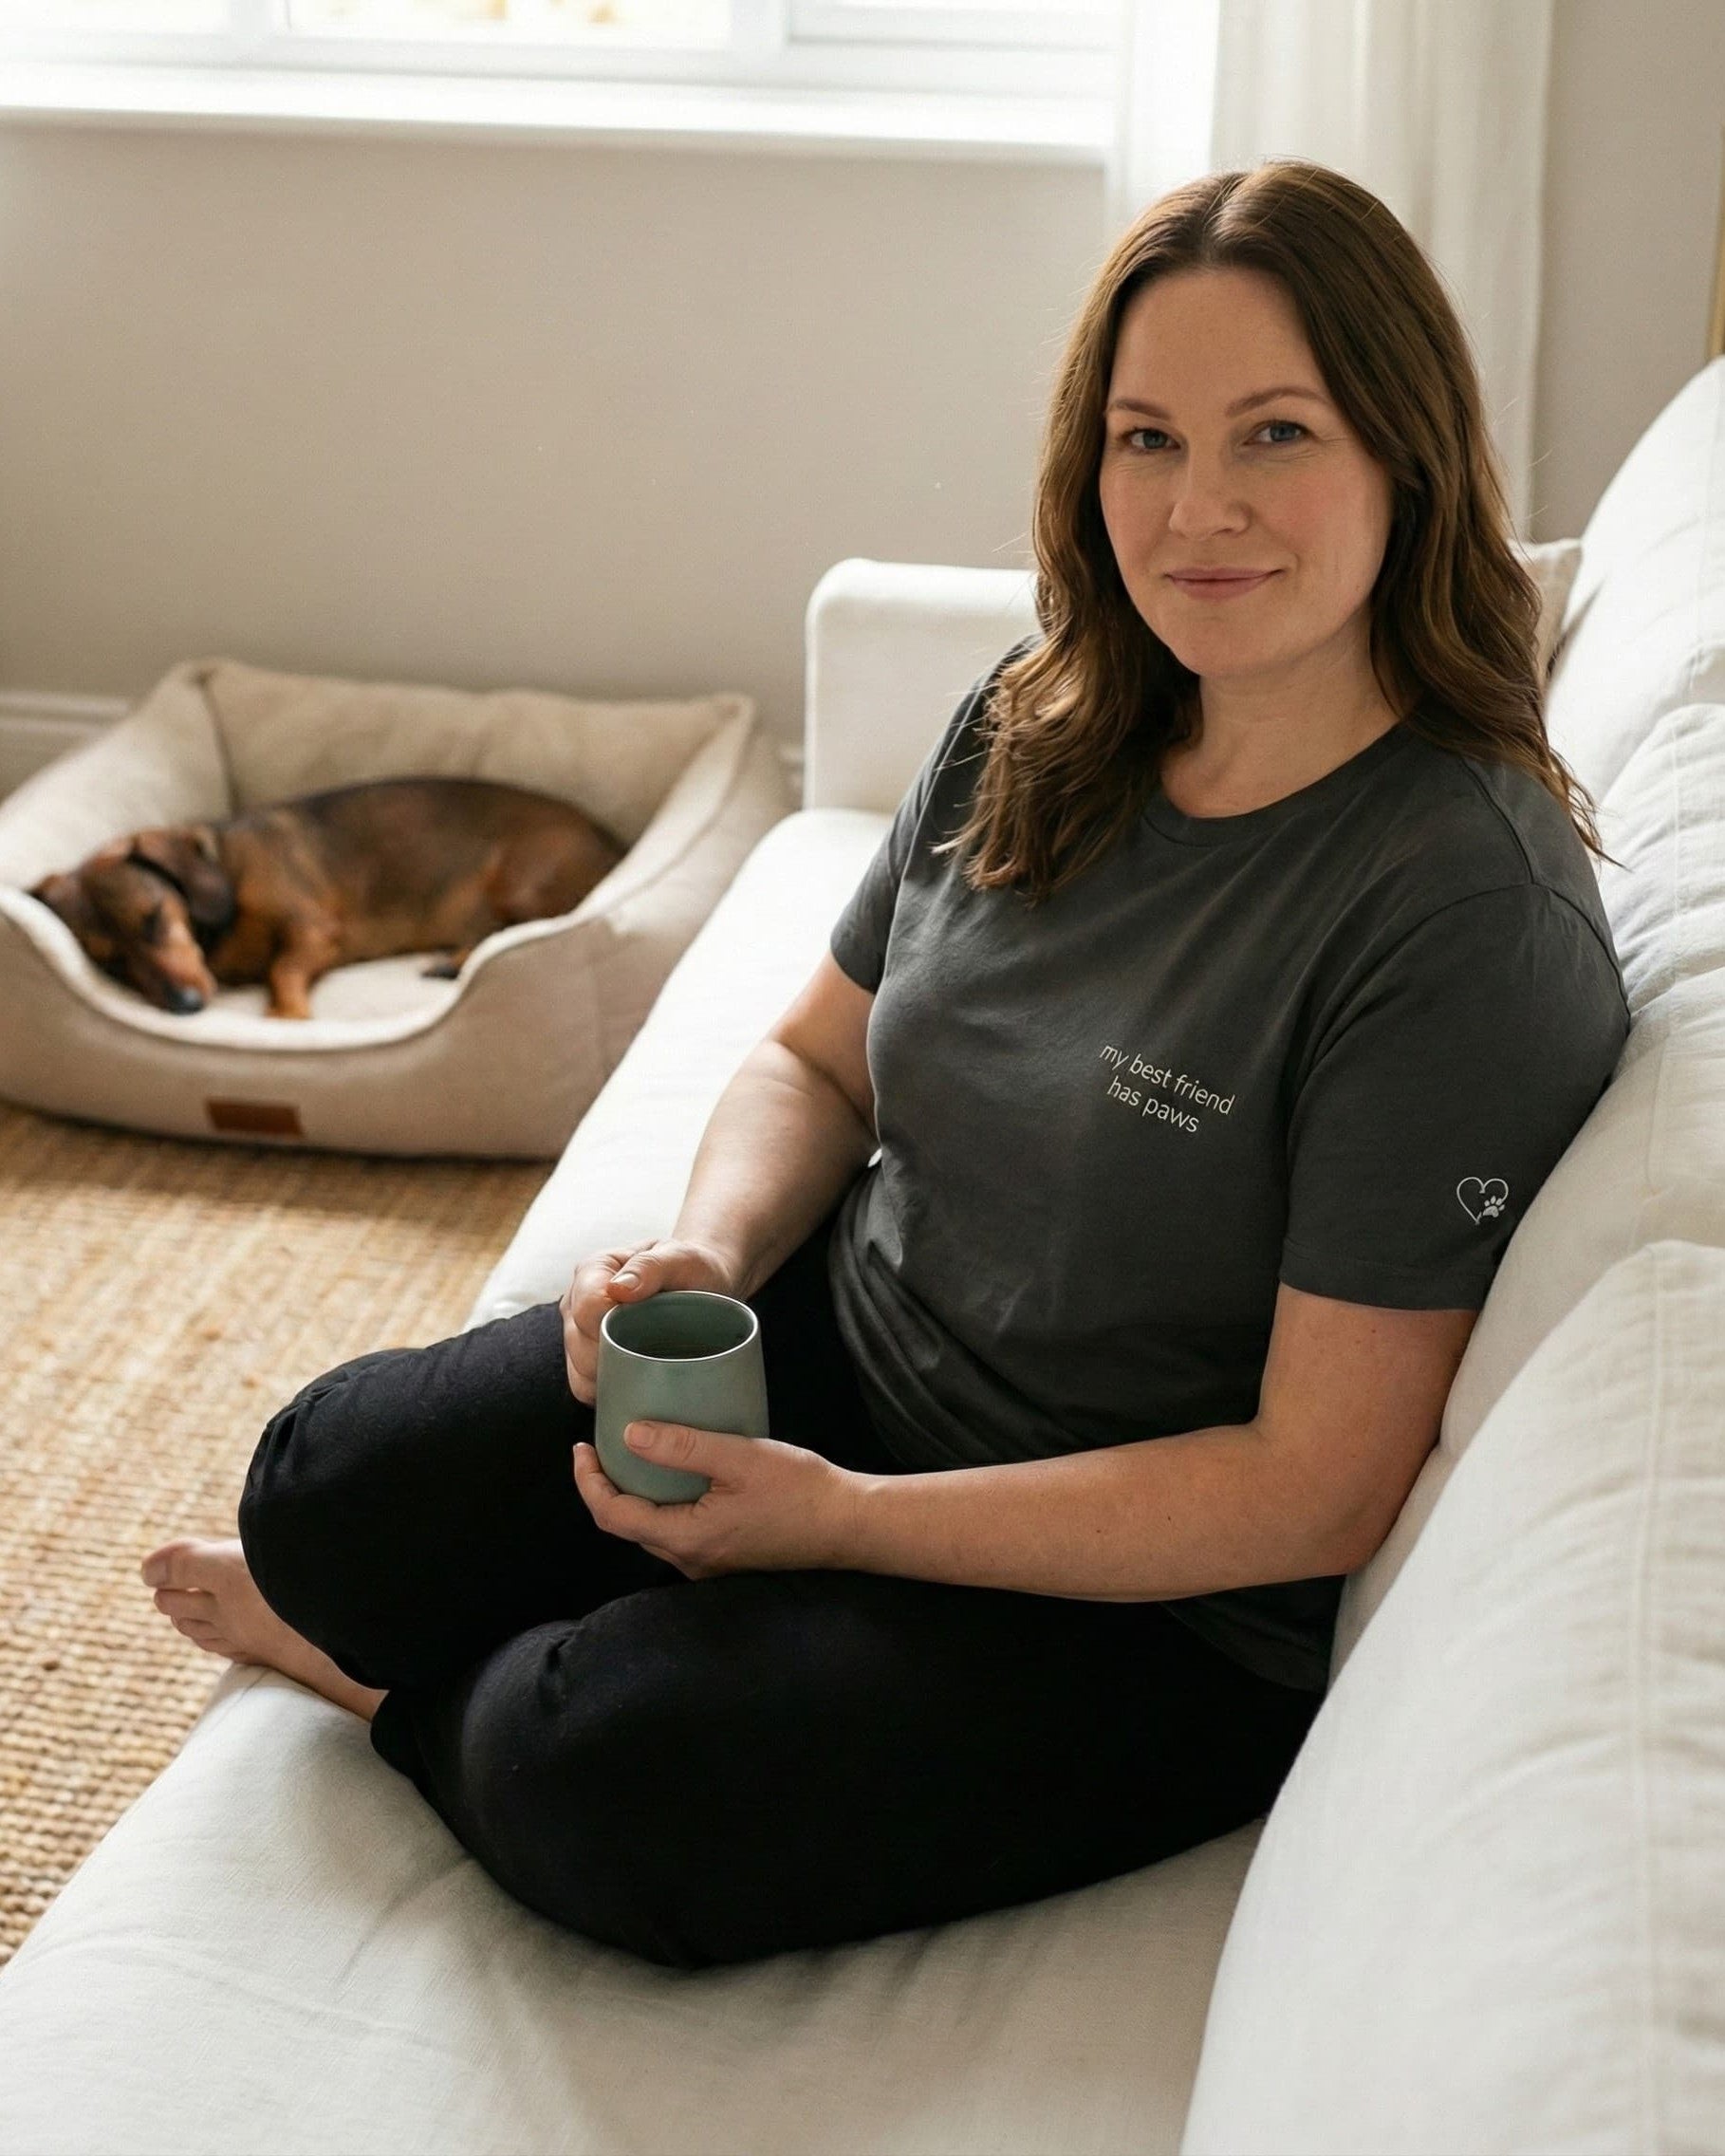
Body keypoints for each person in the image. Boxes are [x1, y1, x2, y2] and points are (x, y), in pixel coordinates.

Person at [140, 158, 1631, 1972]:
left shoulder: (1462, 914)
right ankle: (409, 1624)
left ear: (1402, 455)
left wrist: (845, 1529)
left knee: (602, 1771)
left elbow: (1312, 1482)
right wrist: (706, 1258)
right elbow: (814, 1067)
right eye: (1145, 438)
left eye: (1275, 434)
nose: (1197, 508)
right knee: (321, 1491)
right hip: (851, 1344)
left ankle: (388, 1703)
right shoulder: (1044, 708)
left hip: (1137, 1596)